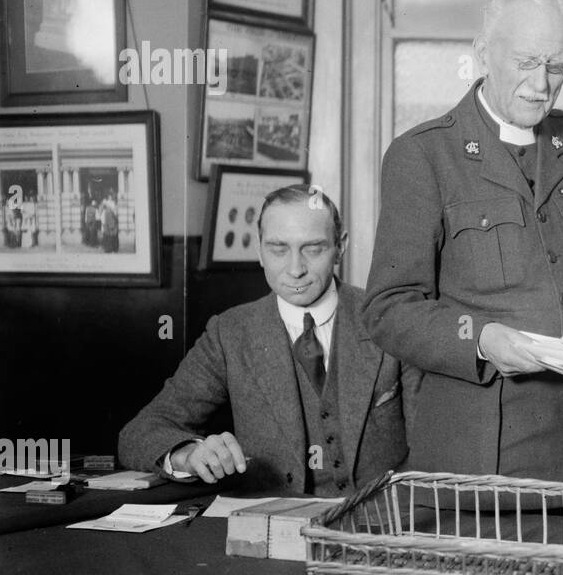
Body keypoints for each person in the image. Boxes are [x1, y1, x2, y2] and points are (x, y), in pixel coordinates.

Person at [363, 0, 563, 483]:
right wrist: (479, 339)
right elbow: (388, 308)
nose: (541, 84)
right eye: (525, 62)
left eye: (557, 66)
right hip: (494, 455)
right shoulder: (423, 155)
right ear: (482, 53)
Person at [119, 186, 407, 495]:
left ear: (340, 247)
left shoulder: (390, 320)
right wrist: (188, 454)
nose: (295, 269)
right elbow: (139, 433)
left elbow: (436, 444)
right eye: (278, 249)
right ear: (259, 250)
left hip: (385, 524)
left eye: (313, 248)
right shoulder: (230, 333)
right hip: (271, 528)